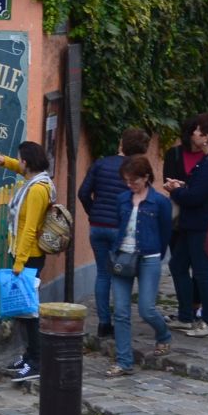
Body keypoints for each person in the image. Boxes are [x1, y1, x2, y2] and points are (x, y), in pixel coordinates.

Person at [103, 156, 173, 378]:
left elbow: (166, 231)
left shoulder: (159, 202)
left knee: (146, 308)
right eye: (126, 180)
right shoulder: (122, 199)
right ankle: (124, 361)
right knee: (121, 311)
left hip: (148, 257)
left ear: (146, 177)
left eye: (133, 180)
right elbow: (119, 224)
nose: (129, 184)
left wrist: (157, 253)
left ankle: (163, 334)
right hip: (123, 256)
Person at [165, 112, 208, 337]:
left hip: (202, 225)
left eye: (198, 130)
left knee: (203, 272)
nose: (193, 132)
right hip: (191, 224)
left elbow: (195, 197)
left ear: (206, 136)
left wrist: (177, 190)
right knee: (177, 265)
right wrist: (182, 186)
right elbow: (197, 189)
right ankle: (186, 316)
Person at [79, 128, 147, 339]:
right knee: (121, 275)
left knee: (102, 274)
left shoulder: (100, 164)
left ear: (121, 143)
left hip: (98, 226)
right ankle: (120, 322)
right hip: (122, 228)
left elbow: (83, 192)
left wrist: (93, 212)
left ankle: (103, 323)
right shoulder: (136, 170)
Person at [0, 141, 54, 382]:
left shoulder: (37, 190)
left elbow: (30, 229)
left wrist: (19, 262)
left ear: (27, 162)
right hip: (24, 254)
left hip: (29, 256)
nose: (18, 163)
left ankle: (37, 361)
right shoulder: (36, 179)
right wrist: (5, 161)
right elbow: (21, 170)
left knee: (29, 311)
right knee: (22, 310)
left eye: (19, 159)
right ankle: (29, 356)